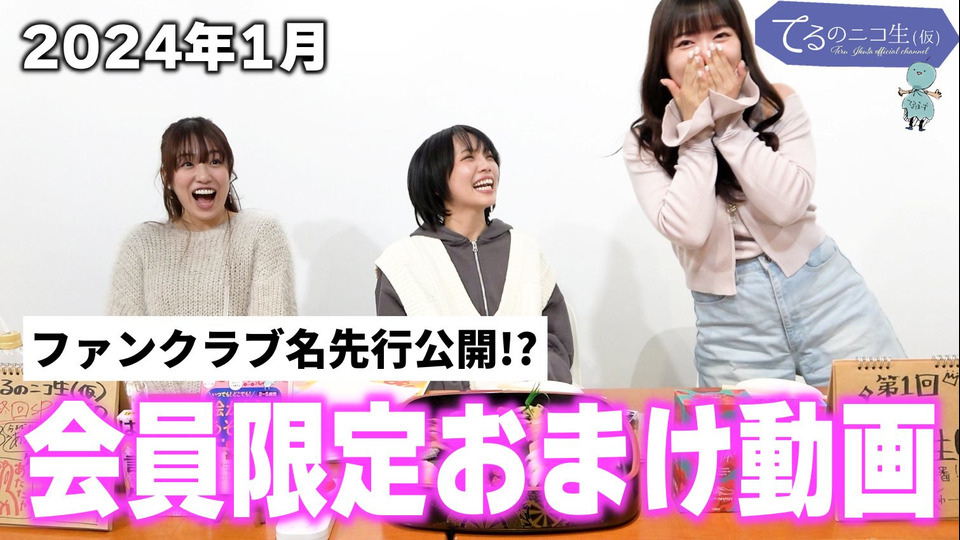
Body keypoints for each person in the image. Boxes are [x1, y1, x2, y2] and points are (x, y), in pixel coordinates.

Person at [623, 0, 903, 387]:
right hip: (731, 320)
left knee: (887, 412)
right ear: (663, 60)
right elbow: (689, 230)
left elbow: (788, 205)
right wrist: (696, 132)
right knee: (742, 428)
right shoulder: (645, 141)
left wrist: (729, 123)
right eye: (686, 42)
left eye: (720, 35)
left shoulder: (777, 104)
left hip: (825, 292)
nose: (706, 53)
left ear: (742, 44)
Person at [375, 125, 574, 390]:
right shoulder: (402, 263)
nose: (486, 166)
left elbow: (557, 354)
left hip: (529, 411)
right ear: (435, 182)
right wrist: (503, 375)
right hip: (444, 414)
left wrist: (477, 376)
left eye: (490, 156)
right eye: (469, 157)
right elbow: (402, 366)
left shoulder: (527, 251)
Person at [107, 117, 297, 392]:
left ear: (229, 170)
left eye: (215, 161)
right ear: (167, 176)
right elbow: (125, 344)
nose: (204, 175)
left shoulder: (261, 232)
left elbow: (271, 339)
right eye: (187, 164)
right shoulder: (141, 243)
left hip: (239, 408)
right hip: (162, 412)